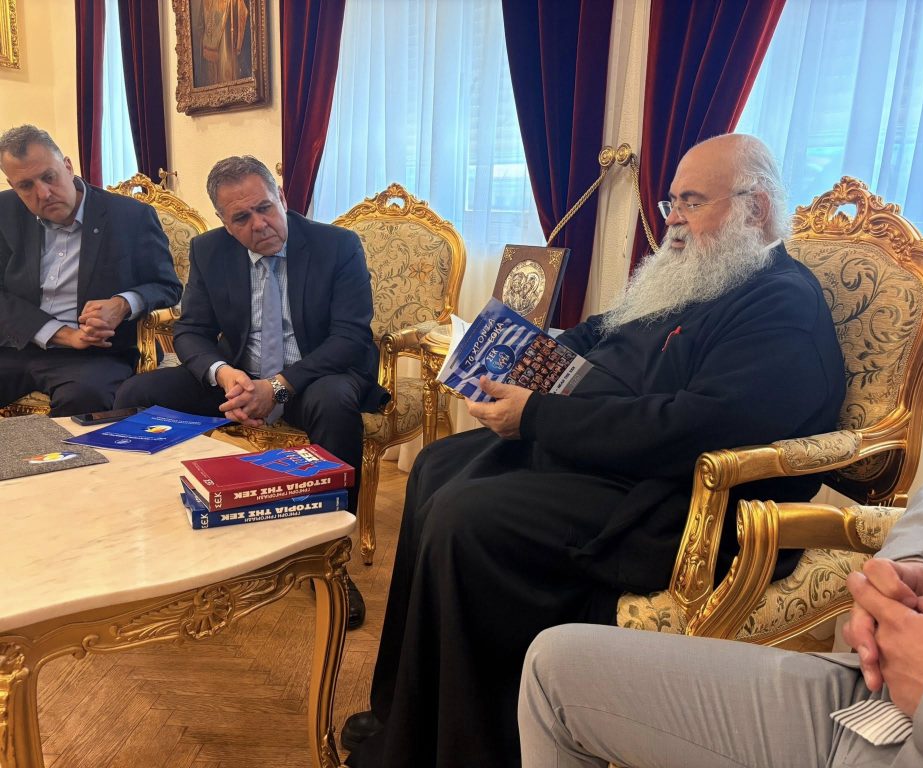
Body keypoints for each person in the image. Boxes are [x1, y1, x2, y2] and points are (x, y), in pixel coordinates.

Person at [341, 133, 847, 768]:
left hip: (675, 499)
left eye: (692, 202)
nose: (674, 221)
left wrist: (536, 417)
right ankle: (410, 713)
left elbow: (693, 429)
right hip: (607, 455)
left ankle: (480, 747)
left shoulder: (779, 304)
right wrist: (530, 354)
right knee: (435, 469)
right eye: (670, 203)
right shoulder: (700, 271)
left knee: (466, 519)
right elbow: (604, 332)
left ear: (758, 209)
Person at [518, 393, 923, 768]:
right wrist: (912, 559)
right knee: (552, 665)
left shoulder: (782, 311)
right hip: (875, 693)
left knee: (496, 526)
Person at [114, 155, 387, 628]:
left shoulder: (337, 245)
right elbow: (192, 330)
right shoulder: (209, 250)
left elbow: (350, 337)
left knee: (335, 405)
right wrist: (223, 373)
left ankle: (330, 561)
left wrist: (277, 386)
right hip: (240, 374)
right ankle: (157, 525)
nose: (259, 224)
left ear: (282, 196)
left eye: (265, 208)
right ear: (223, 220)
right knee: (136, 394)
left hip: (316, 374)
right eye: (241, 217)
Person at [0, 124, 180, 416]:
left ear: (68, 166)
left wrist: (123, 304)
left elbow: (167, 286)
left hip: (98, 354)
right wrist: (61, 334)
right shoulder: (4, 212)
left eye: (49, 177)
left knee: (84, 399)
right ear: (13, 185)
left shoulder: (130, 216)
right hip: (19, 343)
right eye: (26, 186)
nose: (43, 193)